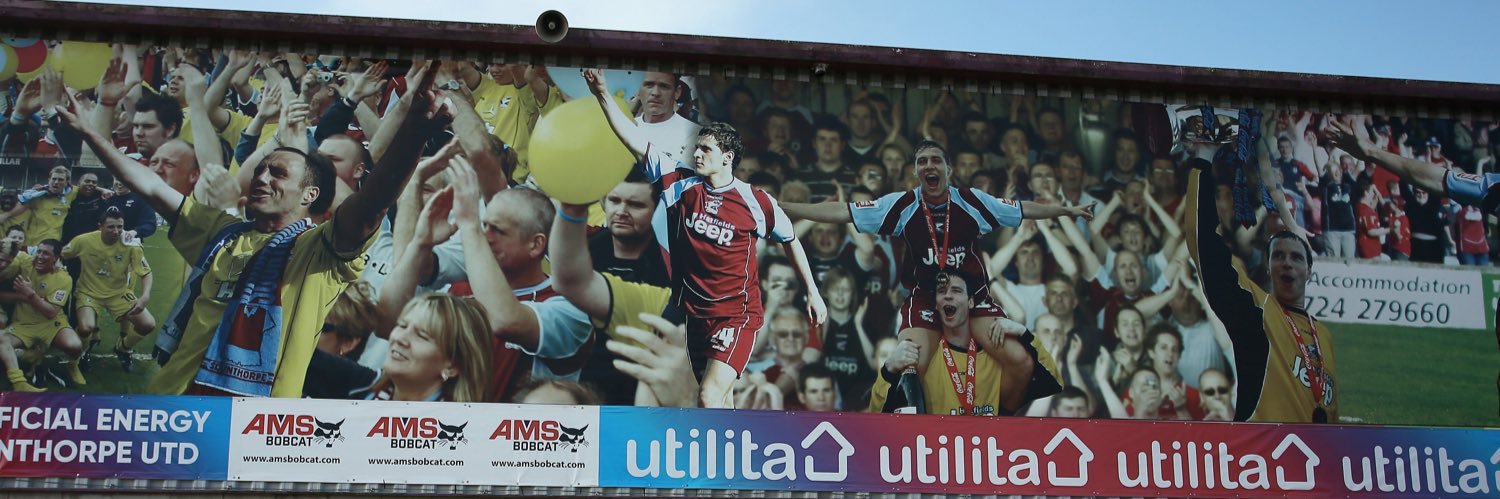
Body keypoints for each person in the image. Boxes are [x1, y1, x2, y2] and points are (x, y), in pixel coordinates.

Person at [54, 60, 443, 398]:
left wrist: (416, 130)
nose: (261, 177)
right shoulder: (222, 231)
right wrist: (92, 133)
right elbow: (151, 185)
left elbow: (372, 201)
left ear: (310, 193)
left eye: (277, 172)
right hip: (177, 399)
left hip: (255, 426)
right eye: (259, 169)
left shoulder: (320, 250)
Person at [587, 68, 826, 409]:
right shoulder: (679, 184)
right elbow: (634, 140)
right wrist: (602, 95)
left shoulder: (755, 201)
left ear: (727, 158)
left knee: (708, 395)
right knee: (720, 399)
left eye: (706, 150)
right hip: (695, 314)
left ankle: (711, 462)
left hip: (737, 316)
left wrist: (813, 293)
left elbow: (790, 239)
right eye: (697, 148)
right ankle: (736, 460)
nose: (697, 154)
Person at [781, 140, 1092, 376]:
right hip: (926, 299)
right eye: (922, 162)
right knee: (910, 361)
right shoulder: (902, 205)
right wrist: (784, 207)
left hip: (971, 299)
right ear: (916, 172)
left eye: (936, 160)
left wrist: (1066, 210)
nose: (929, 166)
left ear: (948, 169)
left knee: (1019, 360)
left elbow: (1024, 209)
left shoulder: (973, 201)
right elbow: (842, 211)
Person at [1184, 148, 1337, 423]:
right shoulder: (1258, 313)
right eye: (1278, 256)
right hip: (1263, 458)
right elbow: (1204, 247)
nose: (1287, 263)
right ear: (1268, 267)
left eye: (1296, 257)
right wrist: (1203, 160)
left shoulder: (1323, 335)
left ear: (1310, 271)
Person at [869, 270, 1060, 415]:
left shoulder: (994, 358)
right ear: (936, 304)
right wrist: (888, 369)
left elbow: (1053, 382)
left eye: (957, 290)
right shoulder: (925, 357)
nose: (949, 295)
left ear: (970, 302)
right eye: (942, 291)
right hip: (937, 458)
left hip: (985, 459)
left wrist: (1024, 333)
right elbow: (878, 412)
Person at [60, 207, 156, 372]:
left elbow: (146, 273)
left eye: (120, 226)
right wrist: (58, 265)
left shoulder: (131, 244)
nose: (117, 231)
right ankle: (82, 353)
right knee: (86, 327)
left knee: (147, 324)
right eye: (111, 226)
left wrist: (145, 296)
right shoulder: (83, 240)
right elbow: (62, 253)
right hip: (88, 292)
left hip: (118, 293)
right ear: (100, 226)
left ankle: (123, 348)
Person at [363, 292, 494, 402]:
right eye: (402, 325)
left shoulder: (452, 425)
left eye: (421, 336)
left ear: (452, 366)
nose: (400, 339)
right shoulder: (360, 397)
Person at [0, 240, 82, 391]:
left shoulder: (64, 279)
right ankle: (25, 368)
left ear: (56, 258)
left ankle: (72, 366)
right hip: (23, 324)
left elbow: (51, 312)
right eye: (38, 251)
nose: (39, 256)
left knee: (74, 345)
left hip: (51, 324)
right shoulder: (26, 263)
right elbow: (8, 249)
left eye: (46, 253)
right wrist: (24, 297)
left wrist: (30, 294)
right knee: (1, 341)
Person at [589, 172, 669, 287]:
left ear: (655, 210)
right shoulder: (585, 249)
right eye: (615, 201)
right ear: (604, 203)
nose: (621, 211)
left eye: (635, 205)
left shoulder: (669, 265)